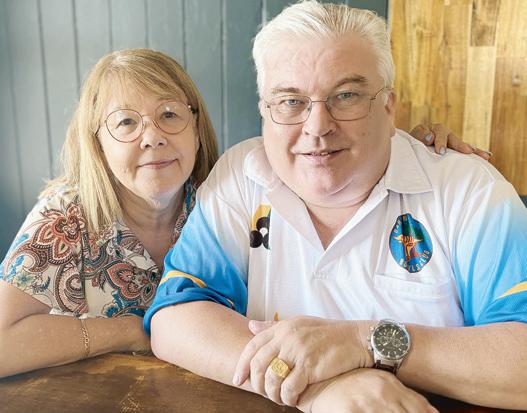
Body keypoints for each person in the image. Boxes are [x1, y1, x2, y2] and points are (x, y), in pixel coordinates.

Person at [145, 1, 527, 412]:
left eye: (345, 96)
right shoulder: (242, 175)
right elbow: (175, 315)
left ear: (389, 106)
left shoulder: (469, 189)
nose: (317, 126)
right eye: (291, 101)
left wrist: (366, 343)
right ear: (264, 111)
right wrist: (321, 388)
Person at [0, 48, 218, 378]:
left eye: (169, 114)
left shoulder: (225, 206)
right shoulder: (64, 217)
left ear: (197, 131)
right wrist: (129, 331)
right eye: (126, 122)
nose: (153, 137)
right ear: (98, 145)